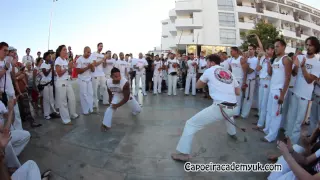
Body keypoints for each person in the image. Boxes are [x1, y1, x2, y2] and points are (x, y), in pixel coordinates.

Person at [171, 54, 239, 162]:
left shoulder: (209, 70)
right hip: (235, 108)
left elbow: (198, 86)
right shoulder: (229, 72)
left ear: (211, 62)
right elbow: (238, 92)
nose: (207, 64)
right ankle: (232, 133)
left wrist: (206, 80)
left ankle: (183, 153)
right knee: (229, 115)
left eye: (207, 62)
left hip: (221, 108)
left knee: (190, 124)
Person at [286, 36, 320, 144]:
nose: (308, 47)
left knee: (298, 121)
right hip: (295, 91)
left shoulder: (317, 63)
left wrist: (303, 67)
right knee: (290, 117)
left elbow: (309, 80)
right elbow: (294, 74)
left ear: (315, 47)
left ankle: (292, 144)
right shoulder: (300, 57)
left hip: (304, 96)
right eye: (307, 45)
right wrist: (295, 67)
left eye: (311, 45)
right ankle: (287, 139)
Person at [261, 39, 292, 143]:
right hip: (272, 89)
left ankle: (271, 136)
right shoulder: (275, 59)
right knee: (270, 111)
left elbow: (288, 78)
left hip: (279, 91)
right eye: (274, 46)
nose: (275, 48)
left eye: (277, 46)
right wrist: (269, 63)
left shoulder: (286, 59)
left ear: (283, 47)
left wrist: (282, 95)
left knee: (276, 114)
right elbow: (270, 74)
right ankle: (267, 130)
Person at [55, 45, 79, 125]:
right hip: (61, 82)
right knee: (63, 102)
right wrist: (67, 67)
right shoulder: (58, 60)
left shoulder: (65, 60)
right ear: (60, 52)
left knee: (72, 98)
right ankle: (65, 119)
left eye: (66, 50)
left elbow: (68, 72)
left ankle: (73, 114)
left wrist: (71, 67)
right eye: (64, 50)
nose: (66, 51)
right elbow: (59, 74)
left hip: (68, 81)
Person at [253, 44, 274, 132]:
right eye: (270, 49)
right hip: (261, 80)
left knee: (264, 103)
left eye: (272, 49)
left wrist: (268, 60)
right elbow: (257, 69)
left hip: (268, 81)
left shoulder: (274, 59)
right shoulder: (262, 58)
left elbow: (270, 73)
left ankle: (261, 124)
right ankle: (260, 121)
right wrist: (258, 59)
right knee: (260, 102)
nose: (271, 51)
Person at [40, 52, 60, 120]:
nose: (50, 58)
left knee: (51, 99)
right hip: (45, 84)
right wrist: (51, 68)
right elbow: (45, 74)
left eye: (50, 56)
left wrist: (54, 70)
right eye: (49, 56)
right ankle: (46, 114)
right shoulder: (43, 64)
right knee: (46, 99)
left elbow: (53, 74)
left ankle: (52, 112)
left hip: (50, 83)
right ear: (45, 57)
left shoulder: (50, 64)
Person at [229, 47, 248, 117]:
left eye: (232, 51)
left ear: (236, 51)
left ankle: (237, 113)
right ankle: (233, 111)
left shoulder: (241, 59)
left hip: (239, 80)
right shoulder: (232, 59)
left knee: (238, 97)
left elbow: (245, 72)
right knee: (233, 96)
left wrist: (244, 82)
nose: (230, 52)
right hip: (233, 80)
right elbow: (231, 70)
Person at [241, 44, 258, 119]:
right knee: (243, 96)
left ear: (254, 50)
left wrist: (245, 64)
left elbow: (249, 71)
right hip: (244, 80)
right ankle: (242, 111)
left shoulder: (255, 60)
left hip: (251, 81)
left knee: (248, 97)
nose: (249, 51)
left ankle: (245, 114)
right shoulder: (246, 59)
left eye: (251, 49)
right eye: (248, 49)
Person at [76, 47, 95, 115]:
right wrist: (88, 67)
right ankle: (85, 110)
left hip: (89, 79)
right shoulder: (79, 59)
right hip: (82, 79)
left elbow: (93, 70)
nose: (89, 54)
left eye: (90, 52)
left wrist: (92, 66)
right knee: (83, 95)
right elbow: (78, 71)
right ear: (84, 51)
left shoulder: (91, 59)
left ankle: (90, 108)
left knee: (90, 94)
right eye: (88, 52)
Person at [91, 43, 109, 112]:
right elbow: (94, 64)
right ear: (97, 46)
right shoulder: (94, 54)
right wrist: (102, 59)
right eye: (100, 46)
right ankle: (95, 104)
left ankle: (105, 101)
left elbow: (104, 66)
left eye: (102, 46)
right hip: (95, 74)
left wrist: (105, 60)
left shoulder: (102, 55)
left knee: (104, 87)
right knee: (95, 89)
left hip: (102, 74)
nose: (101, 47)